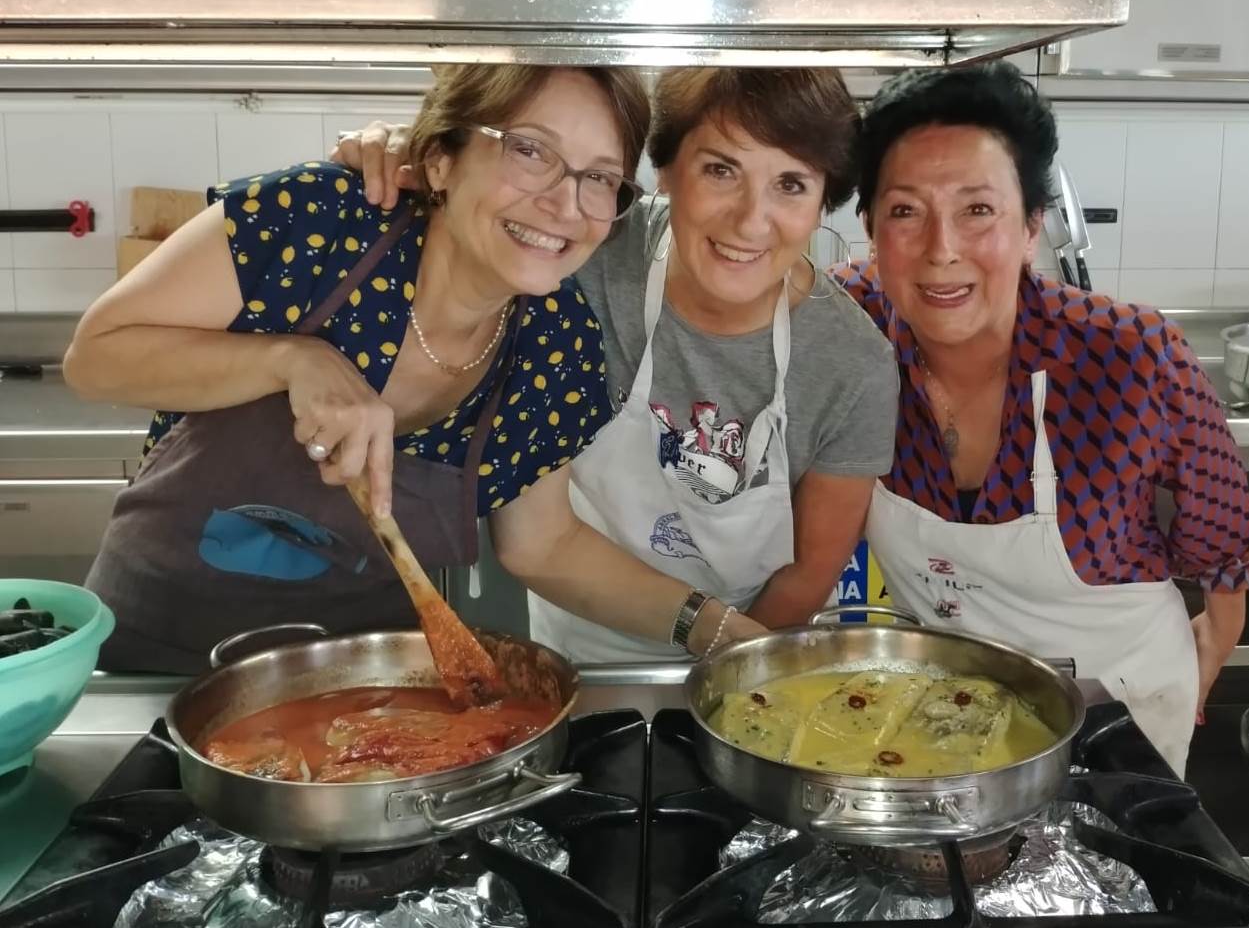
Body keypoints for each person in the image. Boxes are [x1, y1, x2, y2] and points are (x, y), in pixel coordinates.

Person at [68, 63, 759, 673]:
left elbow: (544, 544)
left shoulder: (555, 342)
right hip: (148, 668)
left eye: (600, 178)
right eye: (529, 150)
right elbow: (95, 358)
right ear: (439, 160)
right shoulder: (320, 219)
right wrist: (290, 358)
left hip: (361, 695)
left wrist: (722, 632)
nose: (565, 202)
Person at [336, 68, 899, 662]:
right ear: (667, 172)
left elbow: (808, 574)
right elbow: (474, 211)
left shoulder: (854, 366)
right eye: (720, 170)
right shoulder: (581, 247)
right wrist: (415, 155)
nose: (750, 220)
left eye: (791, 184)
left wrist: (726, 678)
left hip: (747, 652)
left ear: (823, 204)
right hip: (575, 645)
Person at [839, 61, 1249, 774]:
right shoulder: (850, 327)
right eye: (906, 211)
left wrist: (1205, 654)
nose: (941, 249)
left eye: (978, 210)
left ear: (1032, 226)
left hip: (1112, 714)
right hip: (943, 712)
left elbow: (1223, 550)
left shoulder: (1129, 357)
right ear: (871, 230)